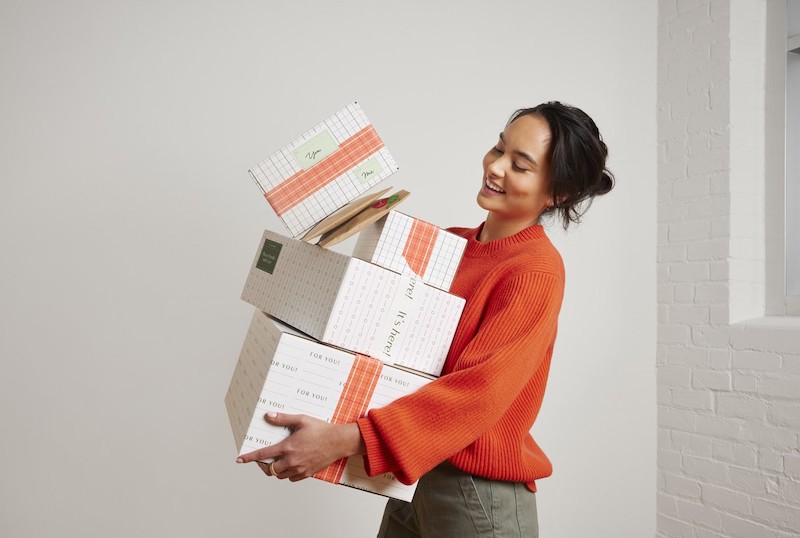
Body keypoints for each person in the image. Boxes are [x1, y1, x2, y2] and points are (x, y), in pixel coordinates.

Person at [236, 101, 614, 537]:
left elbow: (478, 393)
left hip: (476, 491)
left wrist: (340, 441)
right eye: (498, 148)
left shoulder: (534, 270)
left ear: (557, 194)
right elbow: (384, 353)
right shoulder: (446, 247)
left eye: (520, 165)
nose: (495, 167)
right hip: (412, 472)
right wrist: (308, 430)